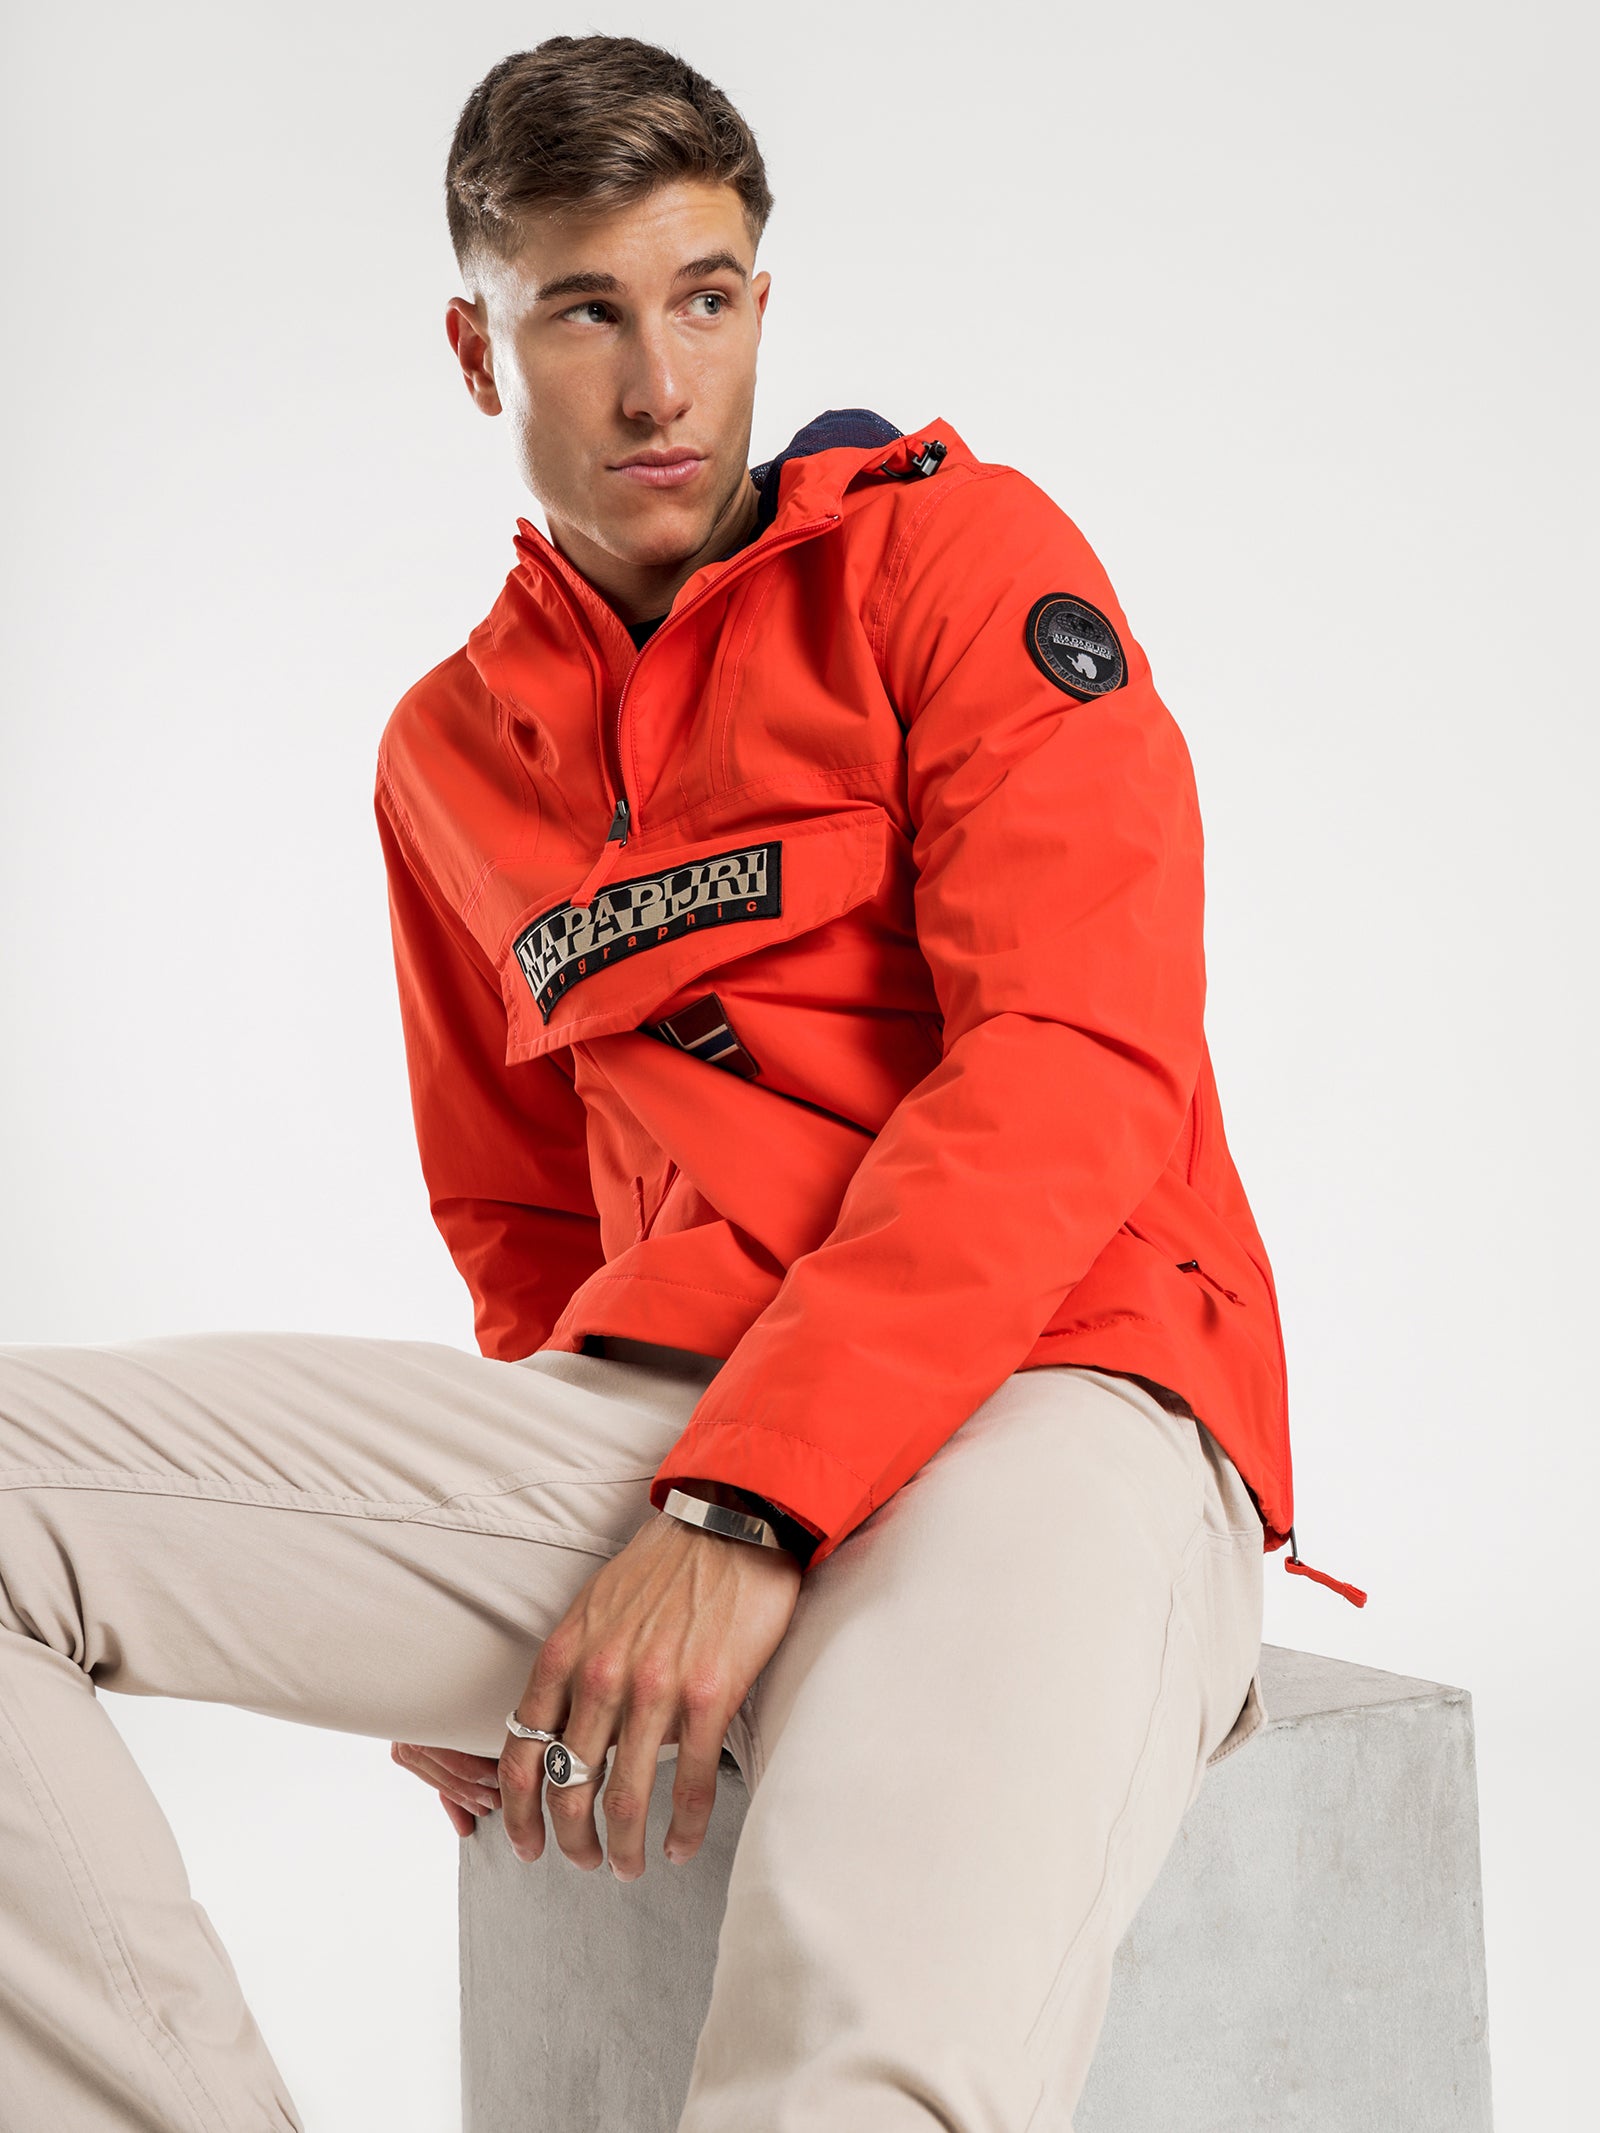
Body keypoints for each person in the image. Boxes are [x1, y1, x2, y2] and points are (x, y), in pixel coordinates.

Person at [0, 31, 1363, 2133]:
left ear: (759, 300)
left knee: (849, 2073)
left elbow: (1072, 1066)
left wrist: (744, 1506)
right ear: (477, 349)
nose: (660, 385)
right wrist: (471, 1604)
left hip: (1057, 1388)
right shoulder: (448, 749)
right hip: (664, 1409)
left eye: (704, 297)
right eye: (586, 312)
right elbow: (522, 1216)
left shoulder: (955, 562)